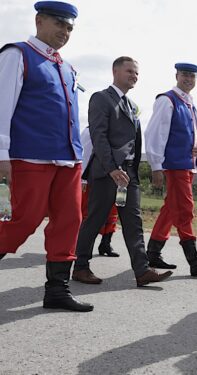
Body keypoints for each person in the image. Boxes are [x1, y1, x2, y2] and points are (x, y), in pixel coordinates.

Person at [0, 1, 92, 311]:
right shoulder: (17, 54)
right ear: (39, 21)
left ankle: (57, 291)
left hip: (68, 158)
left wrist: (80, 155)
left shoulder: (67, 67)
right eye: (59, 24)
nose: (65, 31)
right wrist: (1, 153)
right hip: (30, 156)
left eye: (69, 27)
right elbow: (2, 106)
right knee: (25, 220)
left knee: (70, 220)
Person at [72, 56, 172, 287]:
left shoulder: (130, 105)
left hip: (128, 175)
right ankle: (80, 267)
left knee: (133, 222)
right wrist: (112, 169)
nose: (134, 76)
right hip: (109, 173)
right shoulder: (101, 98)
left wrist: (131, 171)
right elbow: (99, 137)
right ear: (115, 71)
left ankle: (142, 270)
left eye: (136, 73)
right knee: (95, 220)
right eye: (129, 71)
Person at [144, 63, 197, 277]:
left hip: (187, 163)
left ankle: (153, 253)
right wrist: (156, 165)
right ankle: (194, 261)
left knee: (170, 209)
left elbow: (192, 134)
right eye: (185, 75)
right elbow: (154, 134)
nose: (188, 79)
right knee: (185, 209)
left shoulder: (189, 103)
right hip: (174, 164)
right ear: (176, 75)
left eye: (192, 76)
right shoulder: (167, 100)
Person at [80, 125, 120, 257]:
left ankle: (105, 244)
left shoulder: (117, 130)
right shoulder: (90, 131)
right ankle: (84, 248)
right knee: (89, 214)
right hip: (94, 177)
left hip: (115, 177)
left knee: (113, 212)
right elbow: (85, 154)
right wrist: (83, 179)